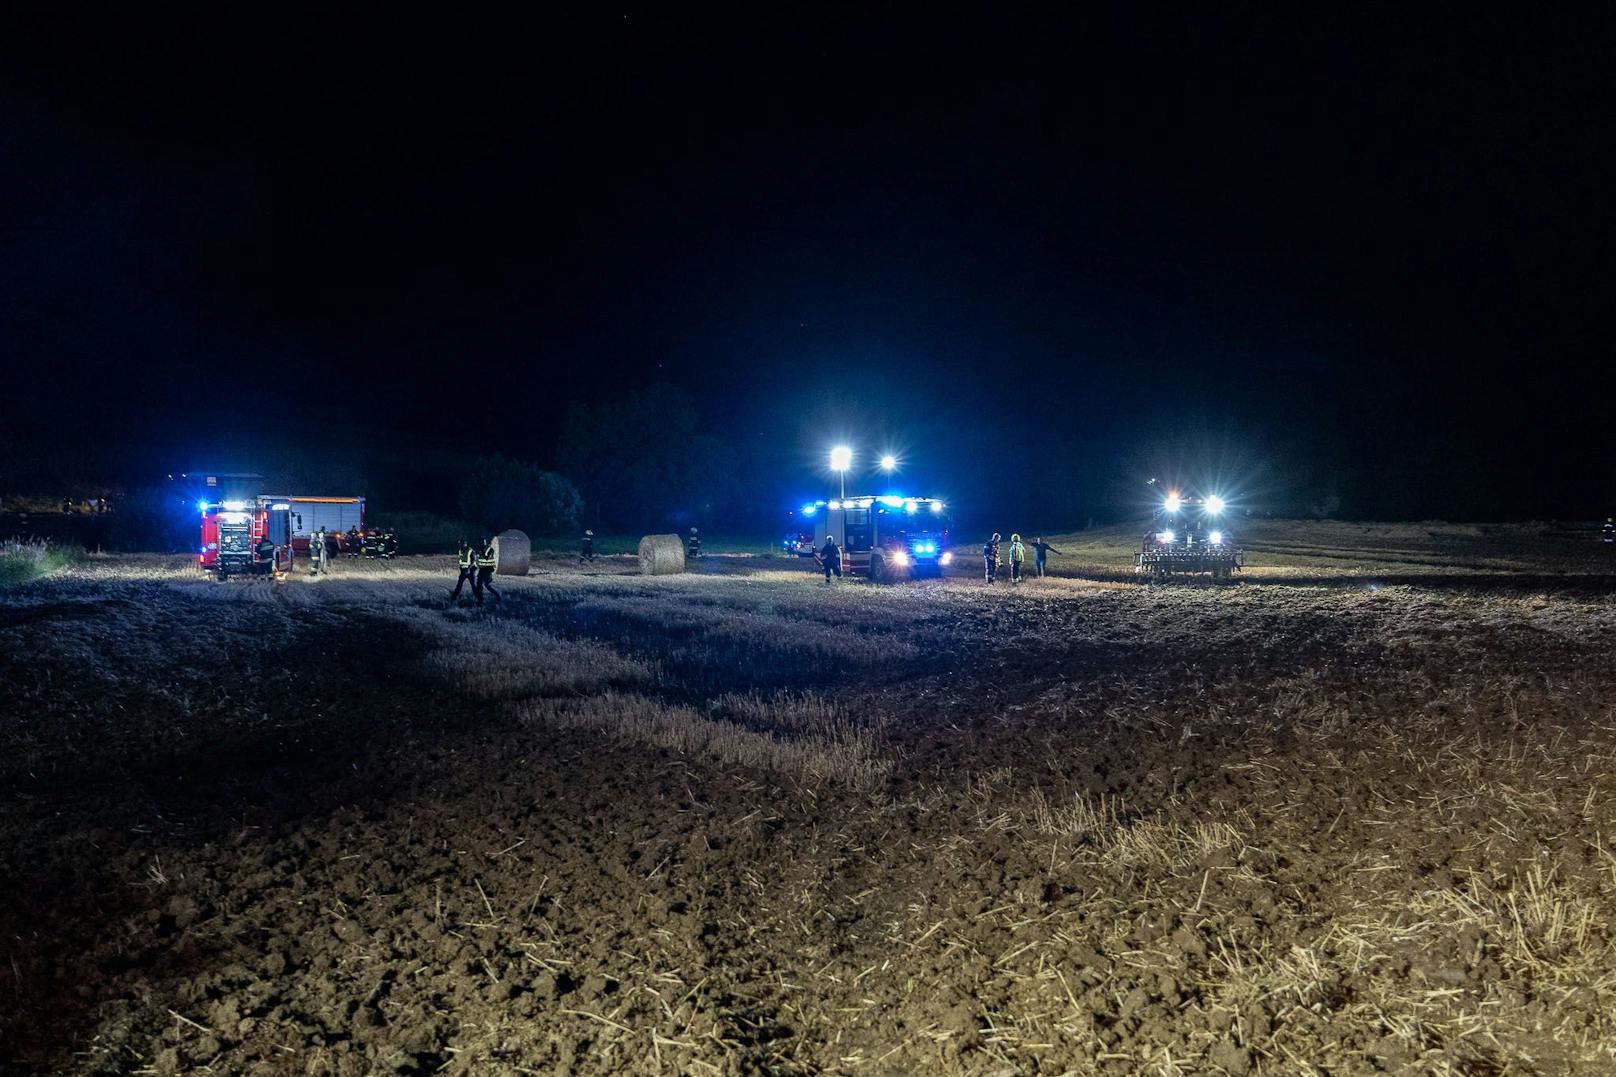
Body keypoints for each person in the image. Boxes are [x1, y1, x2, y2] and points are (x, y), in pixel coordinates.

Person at [475, 537, 500, 605]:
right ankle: (480, 601)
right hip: (482, 569)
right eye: (480, 543)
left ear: (485, 543)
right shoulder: (480, 550)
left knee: (487, 585)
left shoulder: (490, 549)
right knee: (479, 585)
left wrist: (481, 552)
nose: (481, 544)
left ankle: (498, 595)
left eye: (483, 542)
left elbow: (487, 558)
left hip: (488, 570)